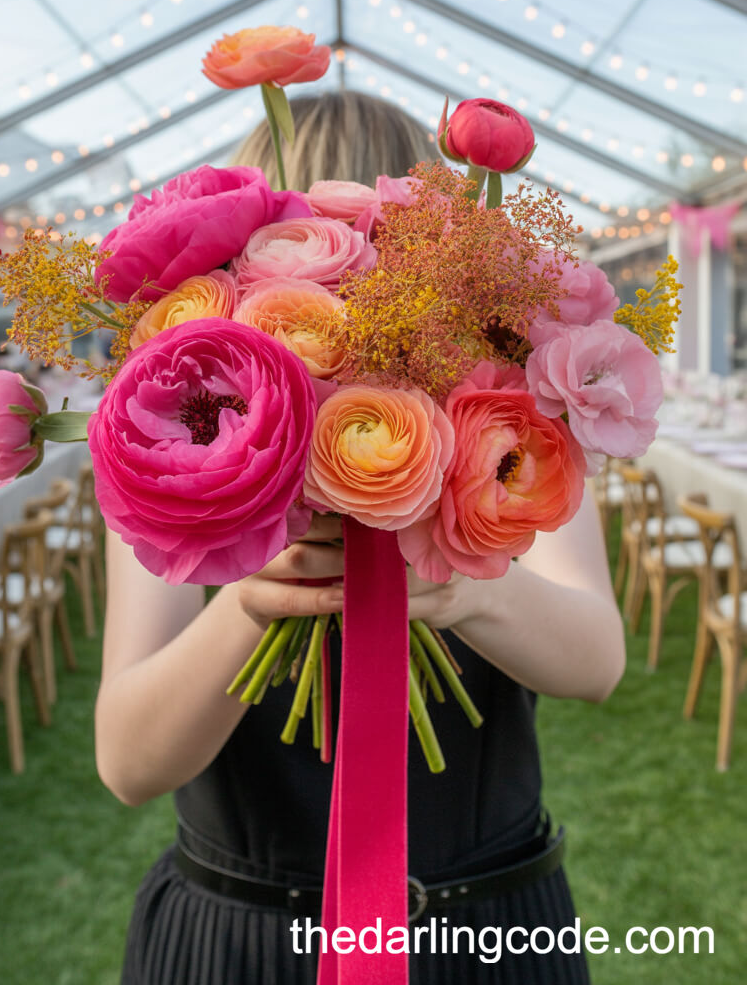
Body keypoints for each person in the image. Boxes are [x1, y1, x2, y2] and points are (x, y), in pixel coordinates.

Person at [95, 91, 626, 984]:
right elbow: (129, 761)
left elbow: (596, 659)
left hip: (481, 927)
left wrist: (469, 584)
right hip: (246, 936)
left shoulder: (514, 412)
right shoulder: (165, 441)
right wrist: (250, 608)